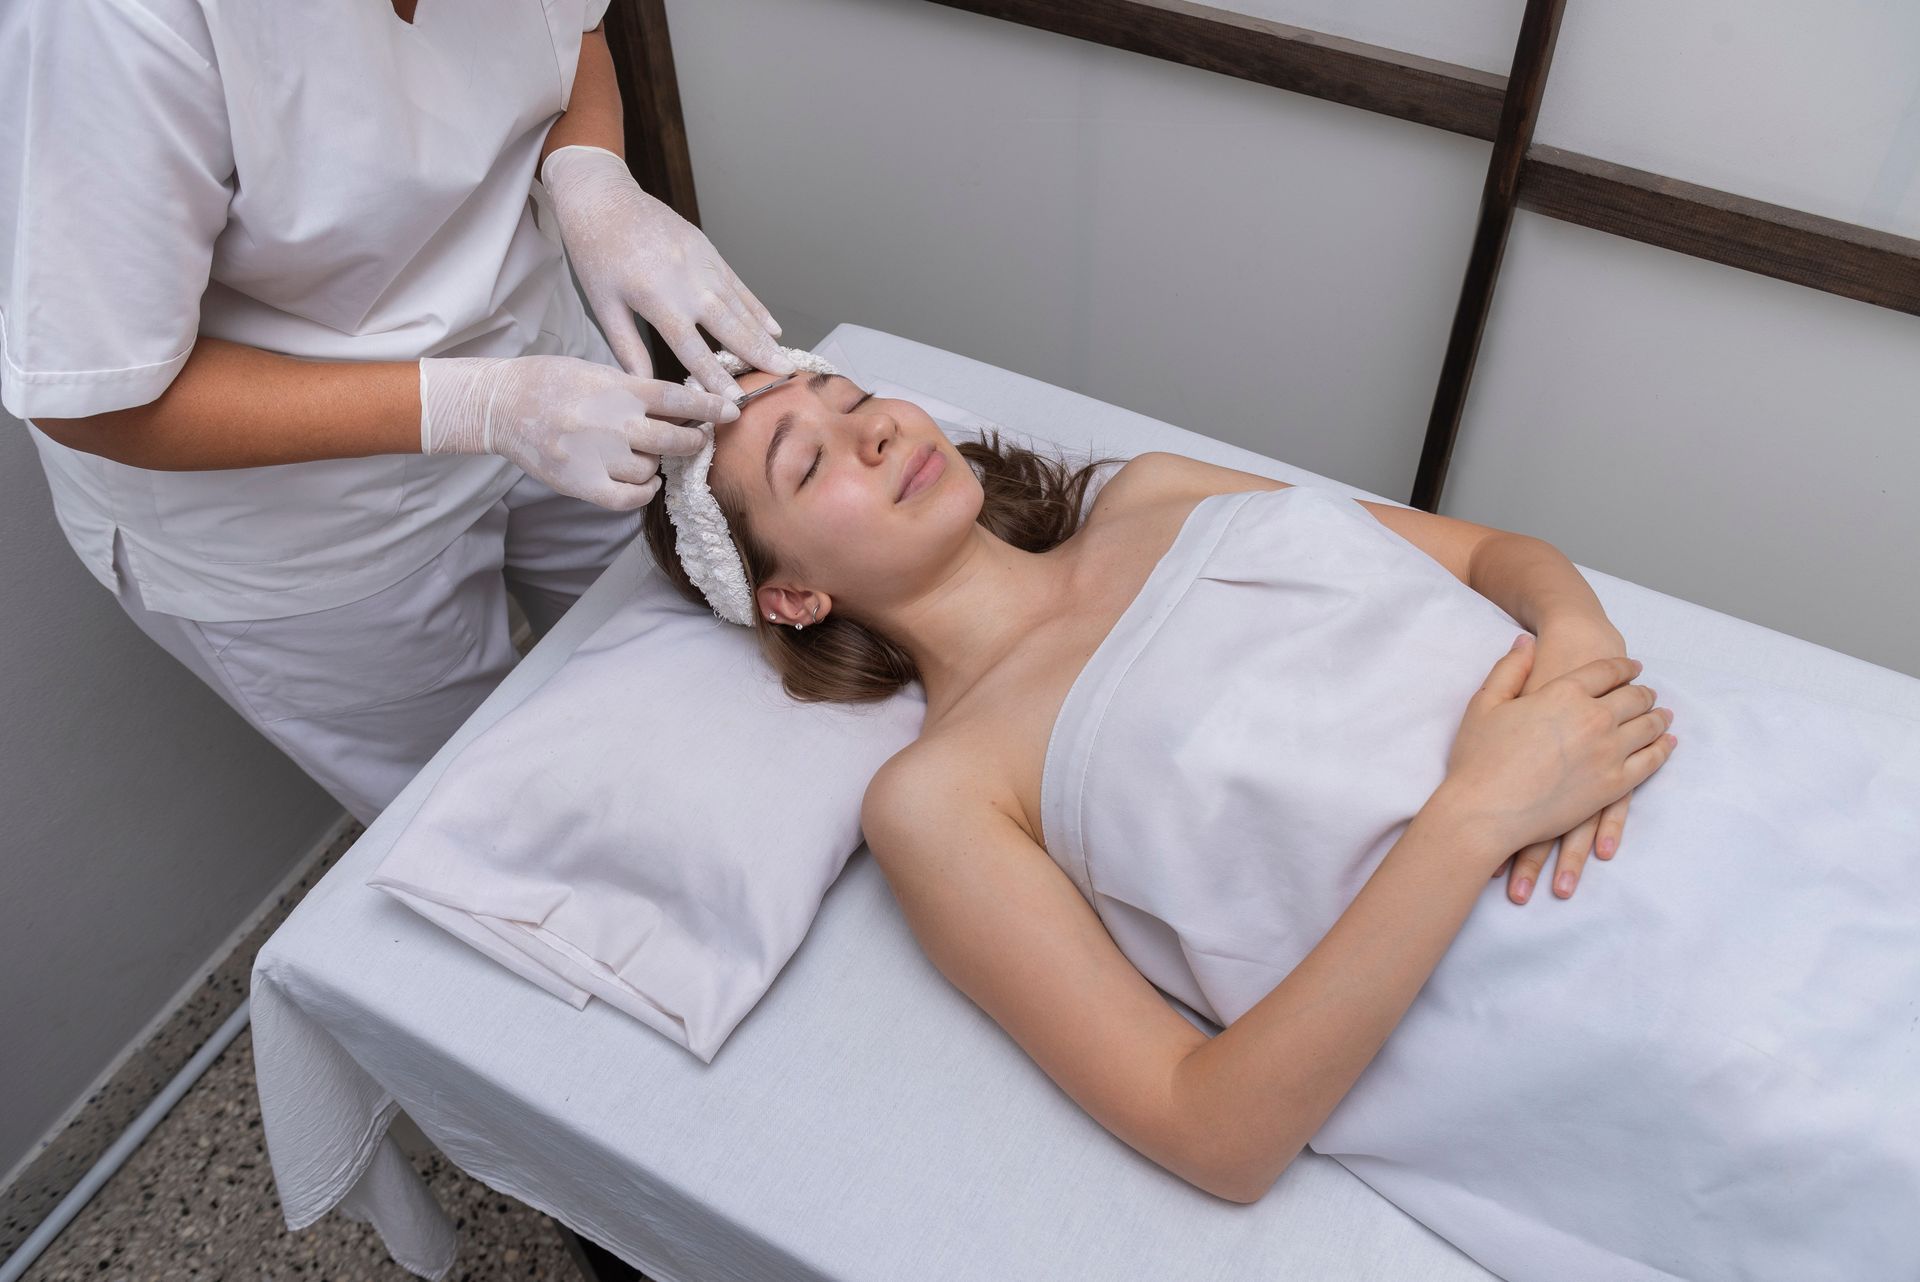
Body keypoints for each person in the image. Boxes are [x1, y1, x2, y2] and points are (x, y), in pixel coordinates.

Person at [640, 355, 1920, 1280]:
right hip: (1585, 973)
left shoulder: (1155, 492)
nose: (871, 432)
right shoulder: (940, 793)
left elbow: (1489, 559)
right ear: (793, 598)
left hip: (1703, 775)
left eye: (854, 398)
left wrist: (1577, 636)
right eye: (808, 460)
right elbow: (1215, 1130)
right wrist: (1474, 812)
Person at [0, 0, 791, 820]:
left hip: (548, 362)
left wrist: (589, 169)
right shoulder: (101, 21)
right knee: (495, 817)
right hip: (306, 520)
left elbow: (571, 27)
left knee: (688, 682)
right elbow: (98, 401)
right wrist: (478, 405)